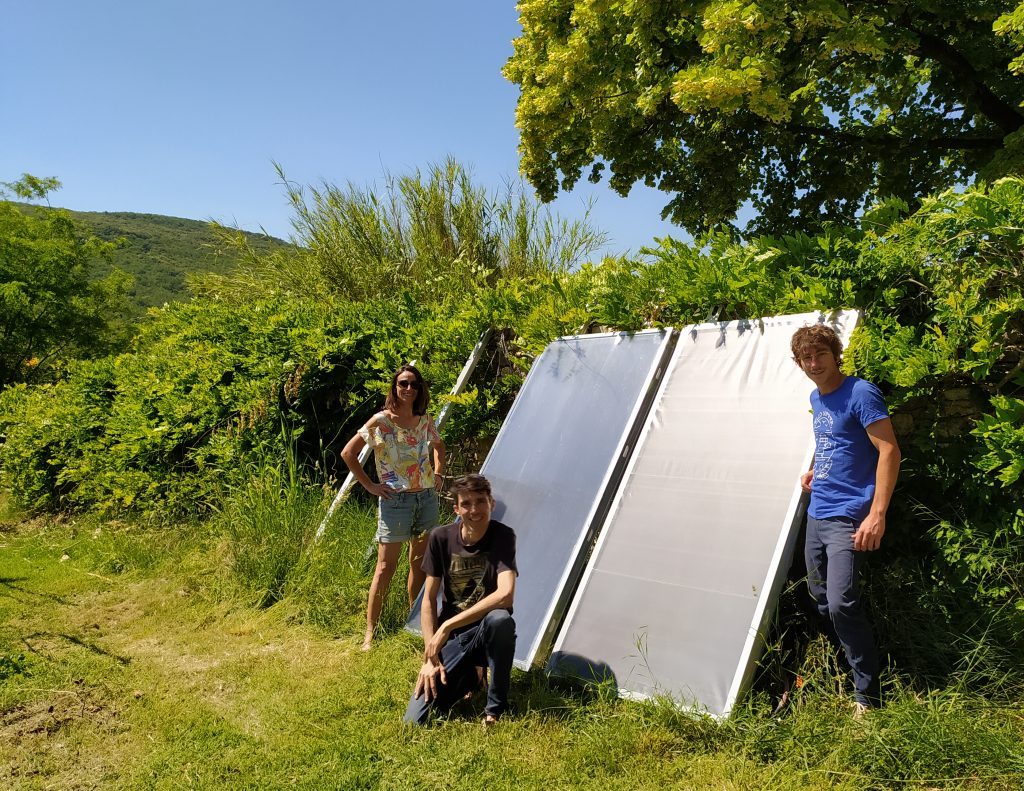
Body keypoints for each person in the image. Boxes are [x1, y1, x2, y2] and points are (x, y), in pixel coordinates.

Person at [792, 324, 901, 713]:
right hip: (816, 511)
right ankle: (844, 671)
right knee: (819, 599)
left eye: (820, 354)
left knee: (840, 603)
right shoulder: (816, 397)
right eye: (805, 357)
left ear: (836, 354)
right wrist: (814, 470)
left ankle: (867, 698)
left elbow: (888, 451)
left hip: (848, 515)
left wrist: (877, 513)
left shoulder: (861, 392)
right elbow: (833, 444)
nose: (813, 363)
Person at [341, 365, 446, 651]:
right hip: (394, 502)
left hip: (425, 499)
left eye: (413, 384)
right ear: (395, 387)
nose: (408, 389)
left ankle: (415, 623)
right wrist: (370, 486)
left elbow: (439, 445)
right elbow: (348, 453)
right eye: (403, 384)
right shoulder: (381, 422)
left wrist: (438, 474)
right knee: (385, 567)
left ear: (419, 388)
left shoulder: (424, 420)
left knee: (419, 564)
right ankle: (370, 633)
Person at [404, 473, 517, 726]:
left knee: (500, 620)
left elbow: (506, 593)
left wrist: (446, 626)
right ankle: (472, 675)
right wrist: (430, 657)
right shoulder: (440, 538)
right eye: (466, 504)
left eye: (480, 501)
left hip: (483, 633)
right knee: (415, 721)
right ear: (456, 508)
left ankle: (494, 710)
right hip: (454, 640)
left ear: (492, 504)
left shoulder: (503, 536)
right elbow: (428, 600)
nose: (474, 509)